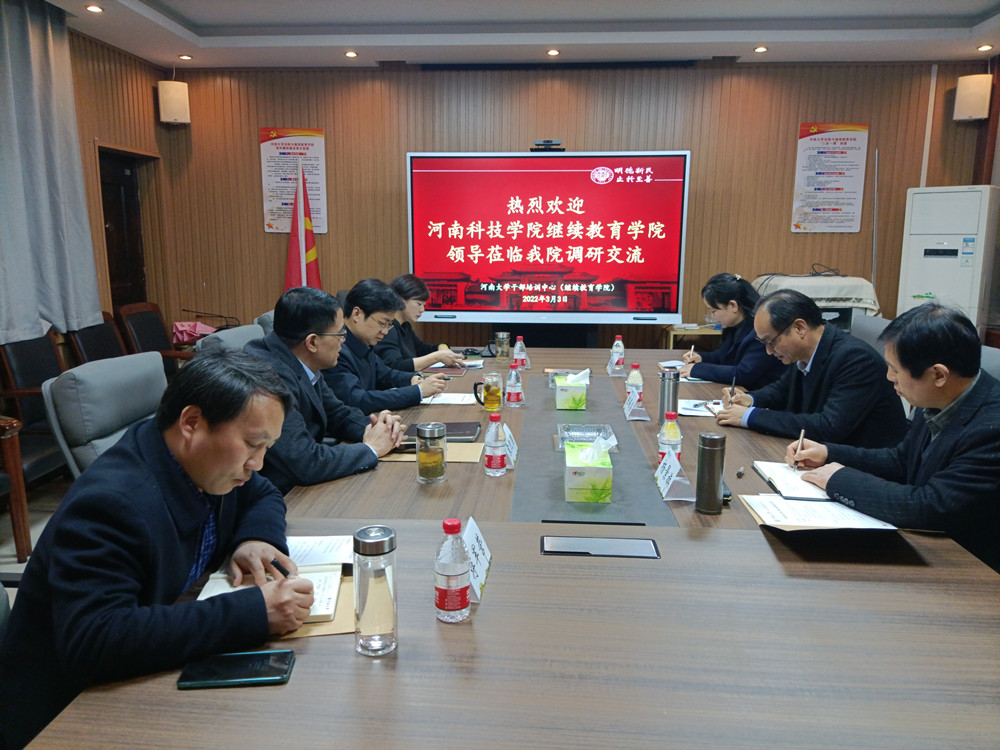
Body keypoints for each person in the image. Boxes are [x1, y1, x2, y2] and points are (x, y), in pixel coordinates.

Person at [0, 352, 315, 749]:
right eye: (253, 444)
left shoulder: (200, 460)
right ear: (192, 423)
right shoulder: (110, 503)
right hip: (66, 715)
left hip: (145, 672)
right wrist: (254, 611)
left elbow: (263, 493)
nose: (258, 463)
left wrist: (255, 539)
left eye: (267, 446)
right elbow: (94, 641)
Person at [787, 304, 1000, 571]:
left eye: (896, 370)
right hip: (926, 548)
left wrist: (839, 479)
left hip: (971, 568)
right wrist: (829, 454)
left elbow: (930, 507)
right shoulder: (938, 396)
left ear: (938, 375)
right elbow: (902, 460)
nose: (889, 377)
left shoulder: (991, 428)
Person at [244, 286, 402, 494]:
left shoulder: (300, 360)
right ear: (312, 342)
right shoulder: (268, 378)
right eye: (340, 334)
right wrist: (371, 449)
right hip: (280, 494)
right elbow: (304, 461)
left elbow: (338, 413)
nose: (344, 341)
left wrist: (379, 429)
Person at [715, 288, 907, 447]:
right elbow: (782, 389)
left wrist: (751, 416)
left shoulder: (855, 360)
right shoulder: (807, 351)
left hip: (859, 465)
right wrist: (750, 399)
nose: (768, 351)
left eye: (771, 341)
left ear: (800, 328)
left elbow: (828, 427)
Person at [325, 278, 448, 412]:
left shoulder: (362, 342)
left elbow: (385, 374)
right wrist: (418, 391)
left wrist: (413, 379)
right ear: (357, 314)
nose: (385, 331)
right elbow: (358, 400)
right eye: (382, 323)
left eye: (389, 325)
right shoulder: (336, 350)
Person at [679, 273, 787, 389]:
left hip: (760, 394)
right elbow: (723, 356)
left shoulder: (761, 331)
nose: (713, 316)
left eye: (714, 311)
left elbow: (743, 374)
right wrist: (701, 358)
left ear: (733, 306)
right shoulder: (734, 326)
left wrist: (697, 369)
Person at [374, 273, 465, 372]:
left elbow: (422, 349)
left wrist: (442, 348)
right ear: (401, 300)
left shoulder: (405, 326)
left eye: (424, 305)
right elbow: (396, 366)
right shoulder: (388, 329)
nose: (422, 310)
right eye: (419, 304)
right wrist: (437, 357)